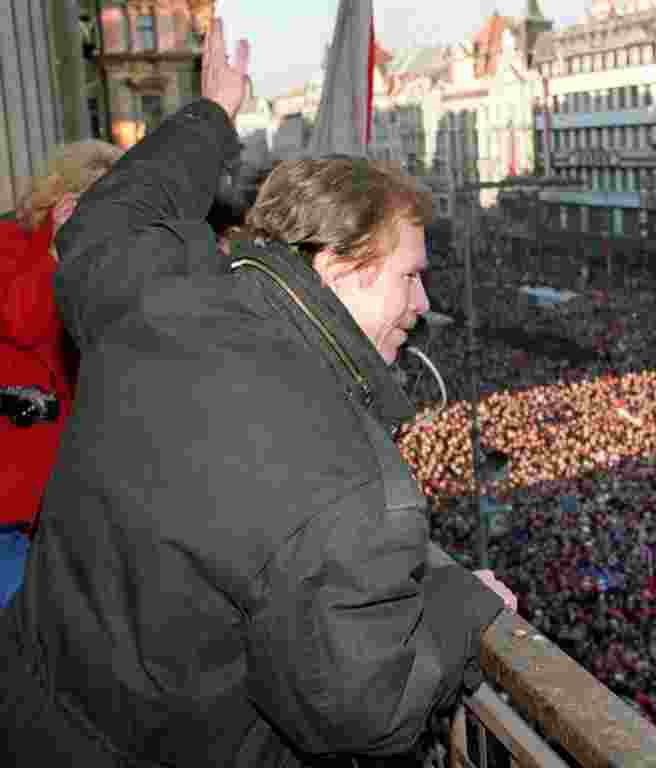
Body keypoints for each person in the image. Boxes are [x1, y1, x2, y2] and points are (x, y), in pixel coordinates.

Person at [0, 18, 515, 768]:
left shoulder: (160, 301)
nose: (422, 301)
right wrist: (465, 605)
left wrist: (211, 110)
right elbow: (370, 710)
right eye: (410, 273)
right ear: (340, 264)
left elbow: (111, 215)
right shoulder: (353, 489)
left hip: (32, 710)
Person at [0, 139, 123, 530]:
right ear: (65, 203)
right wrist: (55, 250)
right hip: (19, 490)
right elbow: (22, 325)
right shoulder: (10, 245)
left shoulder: (102, 264)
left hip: (80, 485)